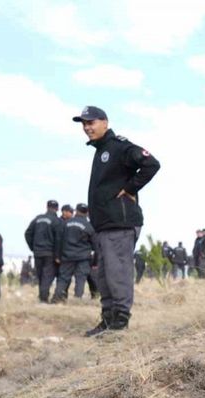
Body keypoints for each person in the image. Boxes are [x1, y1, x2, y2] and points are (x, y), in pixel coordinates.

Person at [73, 105, 160, 337]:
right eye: (84, 124)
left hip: (120, 223)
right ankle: (109, 320)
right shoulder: (101, 150)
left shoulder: (119, 146)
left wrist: (131, 188)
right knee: (104, 276)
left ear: (105, 122)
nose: (86, 127)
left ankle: (120, 324)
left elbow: (152, 164)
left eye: (91, 122)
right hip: (103, 225)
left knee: (117, 273)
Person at [52, 203, 95, 302]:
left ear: (76, 211)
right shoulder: (88, 226)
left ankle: (57, 298)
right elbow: (94, 243)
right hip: (83, 258)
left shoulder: (66, 224)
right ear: (87, 213)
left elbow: (59, 240)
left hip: (67, 256)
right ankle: (77, 300)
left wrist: (57, 255)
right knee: (80, 279)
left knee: (63, 278)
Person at [24, 200, 63, 303]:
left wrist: (33, 247)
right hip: (50, 253)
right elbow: (59, 239)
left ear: (47, 207)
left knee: (41, 275)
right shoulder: (57, 221)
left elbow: (27, 233)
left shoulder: (37, 219)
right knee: (47, 276)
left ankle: (42, 296)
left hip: (38, 252)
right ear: (57, 209)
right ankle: (43, 298)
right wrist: (57, 255)